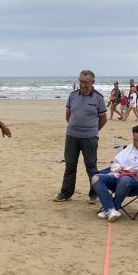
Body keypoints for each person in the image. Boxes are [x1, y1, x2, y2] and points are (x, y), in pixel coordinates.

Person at [90, 124, 138, 221]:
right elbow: (114, 163)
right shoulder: (130, 148)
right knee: (96, 178)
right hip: (120, 179)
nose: (137, 143)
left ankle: (111, 208)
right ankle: (111, 210)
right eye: (135, 140)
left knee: (125, 179)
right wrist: (119, 168)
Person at [53, 69, 107, 203]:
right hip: (72, 136)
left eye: (86, 82)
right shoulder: (72, 96)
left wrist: (93, 131)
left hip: (90, 137)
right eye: (81, 81)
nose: (83, 85)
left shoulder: (98, 98)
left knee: (91, 165)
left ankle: (94, 194)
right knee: (70, 165)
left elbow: (103, 119)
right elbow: (68, 115)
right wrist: (74, 127)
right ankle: (66, 193)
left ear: (92, 82)